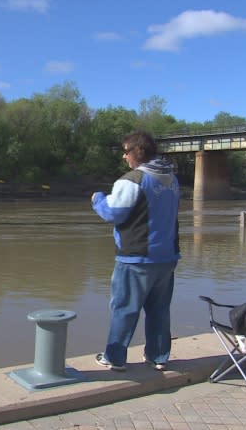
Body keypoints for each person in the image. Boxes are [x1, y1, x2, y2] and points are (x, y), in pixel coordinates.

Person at [90, 131, 180, 372]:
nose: (124, 156)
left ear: (137, 153)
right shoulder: (172, 179)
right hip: (167, 257)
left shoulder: (131, 180)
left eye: (126, 151)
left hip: (136, 258)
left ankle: (115, 358)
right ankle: (158, 357)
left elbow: (113, 213)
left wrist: (98, 199)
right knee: (159, 310)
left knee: (124, 309)